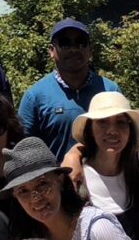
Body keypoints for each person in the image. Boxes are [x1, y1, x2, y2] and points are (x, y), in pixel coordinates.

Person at [0, 136, 139, 240]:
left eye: (42, 184)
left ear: (60, 181)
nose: (35, 198)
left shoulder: (98, 231)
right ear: (15, 198)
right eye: (23, 191)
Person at [61, 91, 139, 240]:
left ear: (130, 130)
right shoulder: (75, 178)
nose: (112, 130)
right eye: (103, 122)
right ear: (90, 129)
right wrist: (73, 154)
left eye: (121, 123)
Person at [18, 19, 122, 160]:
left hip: (105, 179)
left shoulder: (110, 90)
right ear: (51, 51)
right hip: (58, 180)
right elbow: (24, 150)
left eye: (81, 43)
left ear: (90, 51)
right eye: (65, 43)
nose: (74, 49)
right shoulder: (35, 96)